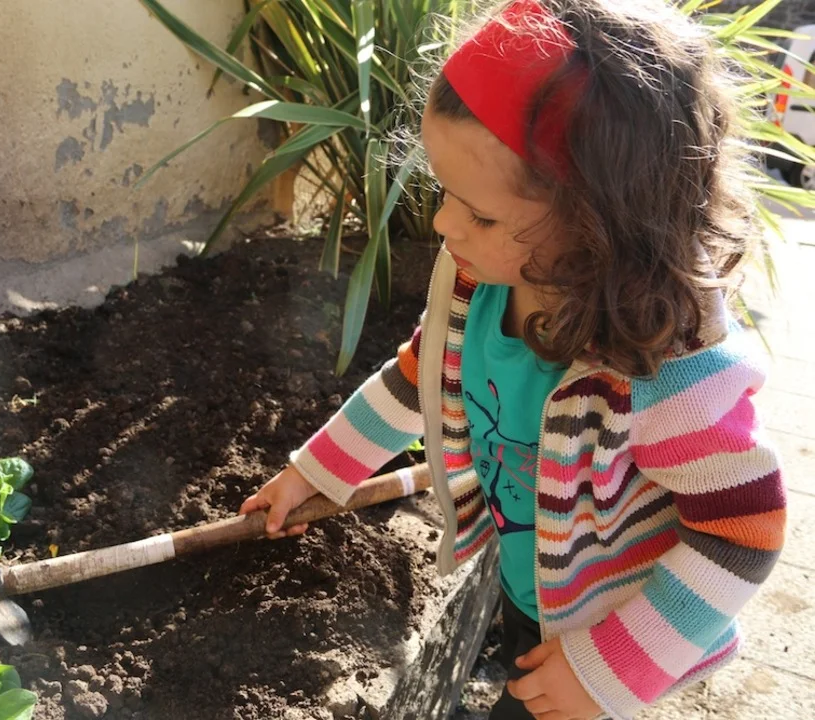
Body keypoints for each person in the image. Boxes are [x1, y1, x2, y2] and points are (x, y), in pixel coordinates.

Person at [238, 1, 787, 718]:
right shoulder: (480, 283)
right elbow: (418, 376)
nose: (444, 224)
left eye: (481, 214)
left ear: (600, 224)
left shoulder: (666, 373)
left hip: (616, 633)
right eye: (445, 193)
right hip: (537, 588)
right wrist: (315, 474)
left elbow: (741, 533)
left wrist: (607, 669)